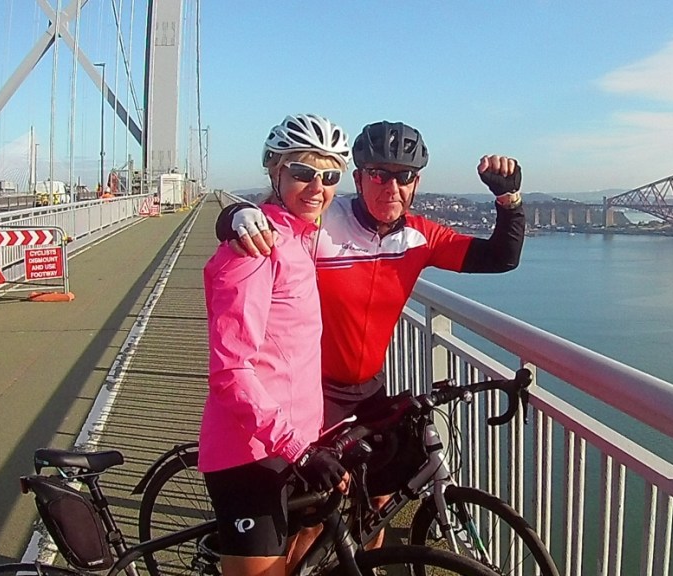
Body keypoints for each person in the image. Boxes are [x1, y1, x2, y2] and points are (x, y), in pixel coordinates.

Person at [215, 120, 525, 548]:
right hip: (314, 393)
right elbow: (271, 221)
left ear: (416, 183)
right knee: (313, 519)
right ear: (359, 178)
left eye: (404, 176)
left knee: (378, 503)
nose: (391, 188)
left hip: (370, 390)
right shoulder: (323, 221)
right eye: (379, 175)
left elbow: (501, 257)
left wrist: (509, 200)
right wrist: (234, 217)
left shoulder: (421, 237)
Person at [200, 113, 352, 576]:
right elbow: (231, 373)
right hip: (250, 453)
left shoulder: (302, 239)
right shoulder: (255, 249)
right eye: (303, 172)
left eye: (330, 176)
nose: (317, 187)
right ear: (275, 170)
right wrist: (299, 448)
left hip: (296, 442)